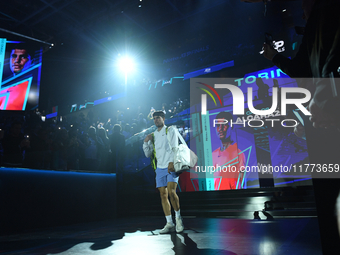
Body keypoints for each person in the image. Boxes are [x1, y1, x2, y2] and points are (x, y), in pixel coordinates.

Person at [143, 111, 184, 233]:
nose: (156, 120)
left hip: (170, 166)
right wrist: (145, 142)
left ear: (163, 119)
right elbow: (148, 154)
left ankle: (178, 219)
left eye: (158, 118)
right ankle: (169, 223)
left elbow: (175, 146)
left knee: (172, 192)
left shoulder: (170, 130)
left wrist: (172, 161)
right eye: (154, 118)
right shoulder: (153, 135)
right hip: (159, 168)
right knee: (163, 195)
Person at [212, 112, 246, 190]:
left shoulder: (239, 154)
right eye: (217, 125)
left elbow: (242, 184)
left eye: (224, 124)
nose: (220, 128)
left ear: (231, 126)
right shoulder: (212, 155)